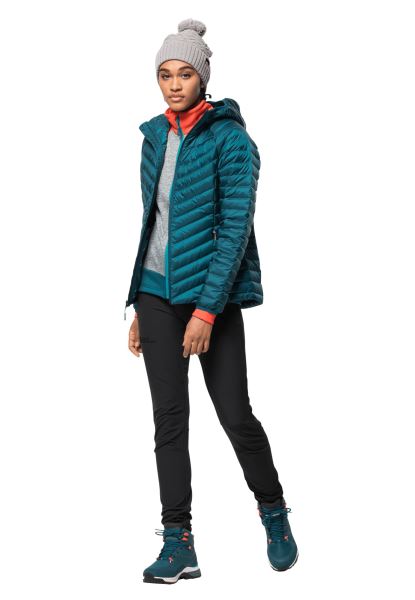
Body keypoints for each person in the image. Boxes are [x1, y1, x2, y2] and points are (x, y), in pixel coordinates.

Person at [125, 18, 298, 584]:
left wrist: (205, 311)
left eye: (184, 73)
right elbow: (153, 223)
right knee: (168, 422)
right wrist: (139, 301)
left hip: (210, 299)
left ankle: (273, 510)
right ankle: (179, 542)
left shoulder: (232, 140)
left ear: (202, 76)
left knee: (235, 415)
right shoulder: (154, 136)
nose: (174, 84)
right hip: (155, 295)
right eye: (165, 74)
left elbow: (235, 231)